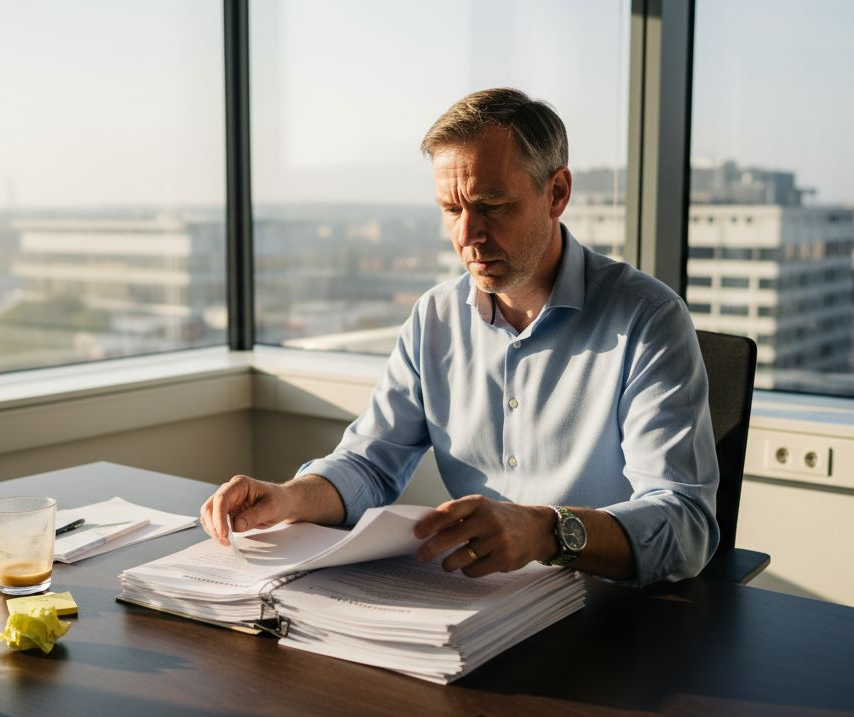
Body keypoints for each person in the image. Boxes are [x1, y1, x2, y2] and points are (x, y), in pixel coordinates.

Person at [201, 88, 718, 586]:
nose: (467, 234)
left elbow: (684, 525)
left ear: (556, 193)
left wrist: (544, 531)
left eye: (491, 205)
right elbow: (369, 464)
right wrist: (289, 498)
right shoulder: (436, 318)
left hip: (606, 613)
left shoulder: (648, 319)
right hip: (477, 607)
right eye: (452, 209)